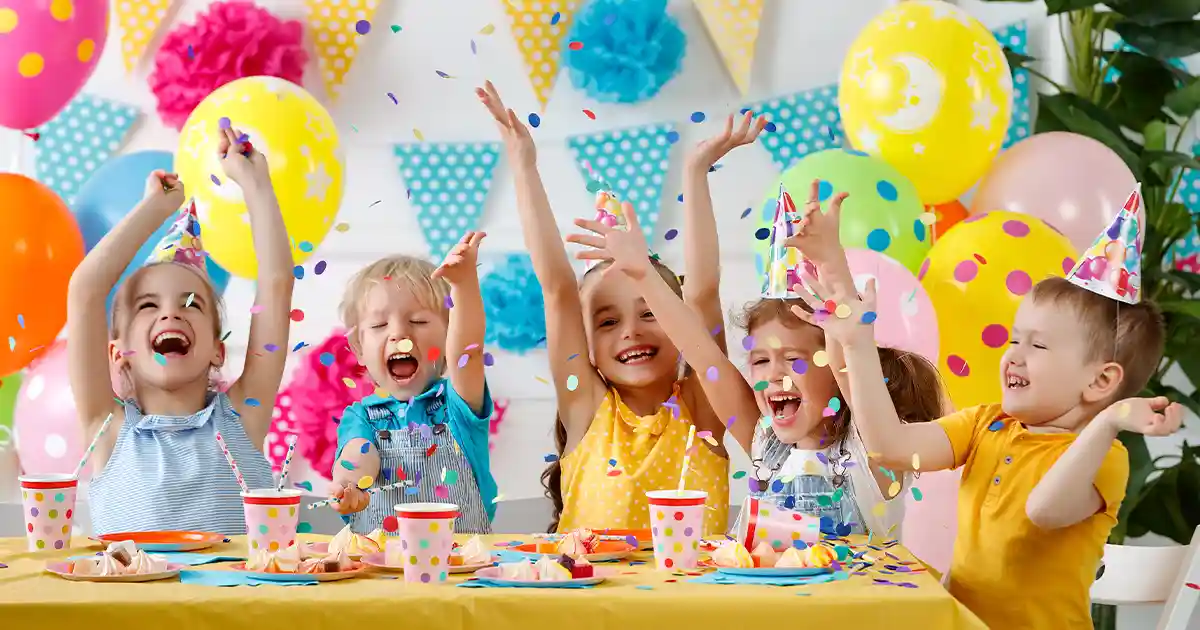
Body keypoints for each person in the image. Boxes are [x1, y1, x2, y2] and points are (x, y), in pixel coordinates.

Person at [793, 202, 1179, 628]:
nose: (1013, 355)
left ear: (1101, 382)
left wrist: (1106, 423)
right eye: (1015, 339)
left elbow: (1044, 511)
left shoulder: (1102, 455)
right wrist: (856, 339)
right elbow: (889, 447)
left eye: (1038, 345)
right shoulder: (985, 424)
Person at [567, 183, 945, 539]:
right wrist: (644, 276)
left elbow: (852, 355)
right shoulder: (765, 443)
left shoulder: (873, 451)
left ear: (833, 366)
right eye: (760, 360)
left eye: (793, 358)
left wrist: (831, 265)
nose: (772, 375)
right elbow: (702, 354)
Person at [475, 81, 730, 535]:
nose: (631, 331)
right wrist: (522, 161)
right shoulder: (585, 406)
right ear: (586, 343)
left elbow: (704, 293)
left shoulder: (705, 409)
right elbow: (557, 288)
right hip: (588, 607)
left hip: (695, 607)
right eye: (608, 321)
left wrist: (696, 174)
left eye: (651, 312)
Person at [69, 128, 292, 535]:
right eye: (148, 305)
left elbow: (276, 282)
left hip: (231, 601)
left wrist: (255, 183)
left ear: (216, 352)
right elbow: (85, 292)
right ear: (118, 353)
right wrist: (152, 210)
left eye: (192, 304)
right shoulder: (106, 427)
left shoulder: (243, 416)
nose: (171, 313)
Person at [328, 233, 496, 535]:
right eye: (380, 325)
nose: (398, 333)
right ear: (358, 348)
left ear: (449, 337)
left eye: (418, 321)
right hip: (380, 571)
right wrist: (350, 484)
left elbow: (468, 354)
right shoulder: (362, 416)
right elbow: (358, 452)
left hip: (461, 568)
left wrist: (464, 285)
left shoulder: (458, 406)